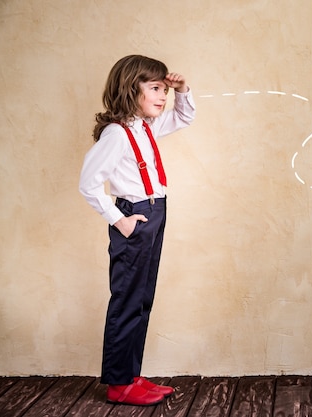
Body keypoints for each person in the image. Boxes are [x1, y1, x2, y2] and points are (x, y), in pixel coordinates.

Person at [79, 55, 196, 406]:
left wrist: (182, 90)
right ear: (132, 89)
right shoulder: (116, 133)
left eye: (164, 89)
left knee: (142, 299)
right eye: (155, 88)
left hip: (156, 211)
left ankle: (130, 374)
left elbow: (185, 115)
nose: (163, 96)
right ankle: (118, 383)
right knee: (127, 301)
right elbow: (88, 184)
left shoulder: (146, 126)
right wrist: (120, 219)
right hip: (135, 215)